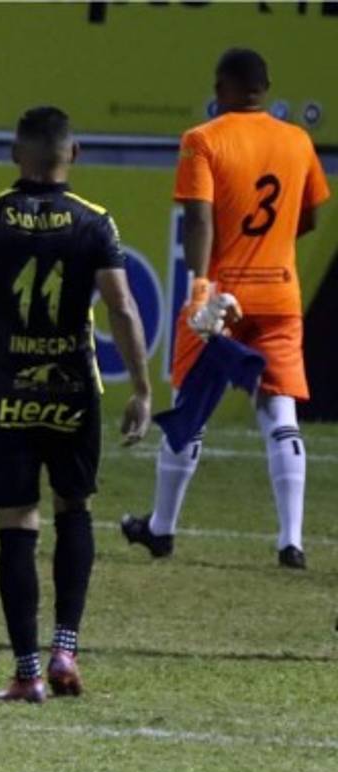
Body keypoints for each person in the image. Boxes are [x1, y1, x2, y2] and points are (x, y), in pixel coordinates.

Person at [0, 107, 151, 702]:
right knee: (75, 508)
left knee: (16, 524)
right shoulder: (95, 222)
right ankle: (66, 646)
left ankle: (27, 672)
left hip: (9, 388)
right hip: (74, 387)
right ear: (73, 155)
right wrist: (144, 389)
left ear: (15, 154)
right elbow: (122, 308)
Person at [121, 48, 330, 569]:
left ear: (223, 87)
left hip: (221, 297)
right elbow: (307, 219)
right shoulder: (299, 141)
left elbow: (198, 219)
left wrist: (198, 284)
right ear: (265, 85)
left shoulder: (204, 139)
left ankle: (162, 529)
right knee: (281, 411)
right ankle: (291, 540)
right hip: (280, 294)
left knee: (192, 408)